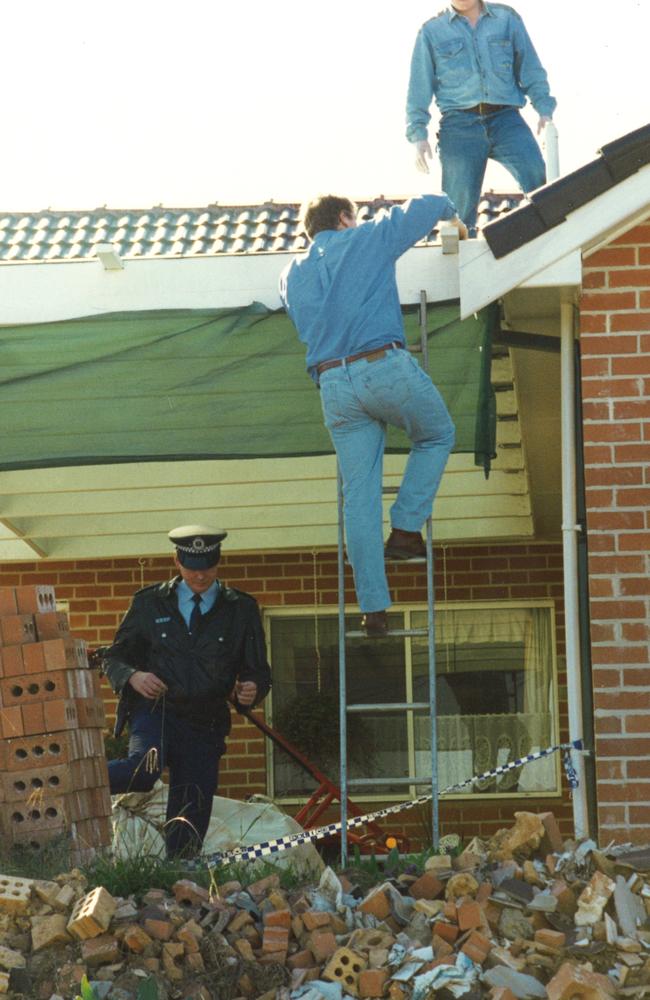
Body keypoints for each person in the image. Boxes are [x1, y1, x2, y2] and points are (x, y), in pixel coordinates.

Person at [279, 194, 466, 637]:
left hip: (333, 385)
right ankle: (404, 528)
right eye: (354, 216)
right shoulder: (365, 239)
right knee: (437, 434)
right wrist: (456, 217)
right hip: (380, 365)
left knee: (359, 495)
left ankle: (373, 608)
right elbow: (426, 205)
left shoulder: (291, 274)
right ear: (345, 218)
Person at [104, 525, 271, 857]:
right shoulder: (149, 603)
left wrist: (252, 689)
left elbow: (258, 671)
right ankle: (74, 782)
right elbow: (114, 657)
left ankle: (179, 878)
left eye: (208, 566)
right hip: (156, 710)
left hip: (205, 719)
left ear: (218, 561)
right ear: (177, 562)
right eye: (193, 567)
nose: (200, 575)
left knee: (191, 808)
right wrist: (134, 676)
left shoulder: (241, 608)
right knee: (143, 770)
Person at [406, 0, 556, 232]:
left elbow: (530, 68)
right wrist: (418, 134)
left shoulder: (507, 19)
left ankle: (541, 241)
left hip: (506, 118)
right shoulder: (431, 31)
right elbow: (419, 87)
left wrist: (544, 111)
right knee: (457, 213)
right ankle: (460, 265)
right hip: (459, 126)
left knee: (537, 176)